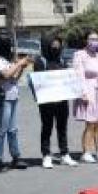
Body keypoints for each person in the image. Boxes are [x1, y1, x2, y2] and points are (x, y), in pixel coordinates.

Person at [33, 36, 77, 169]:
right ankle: (46, 155)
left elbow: (67, 79)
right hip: (47, 102)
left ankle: (64, 154)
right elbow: (38, 82)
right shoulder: (41, 61)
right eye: (53, 46)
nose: (56, 49)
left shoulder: (62, 60)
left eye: (58, 46)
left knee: (62, 128)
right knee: (47, 127)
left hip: (62, 101)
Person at [0, 34, 30, 172]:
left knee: (13, 130)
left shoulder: (7, 58)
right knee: (2, 129)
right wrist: (18, 63)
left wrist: (22, 67)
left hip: (13, 97)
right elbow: (5, 74)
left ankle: (16, 157)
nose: (9, 46)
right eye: (6, 43)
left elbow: (14, 78)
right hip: (2, 98)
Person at [73, 31, 98, 163]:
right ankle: (86, 151)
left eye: (97, 39)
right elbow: (78, 75)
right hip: (88, 90)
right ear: (86, 40)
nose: (95, 41)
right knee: (90, 122)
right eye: (92, 39)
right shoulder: (80, 55)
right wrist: (82, 92)